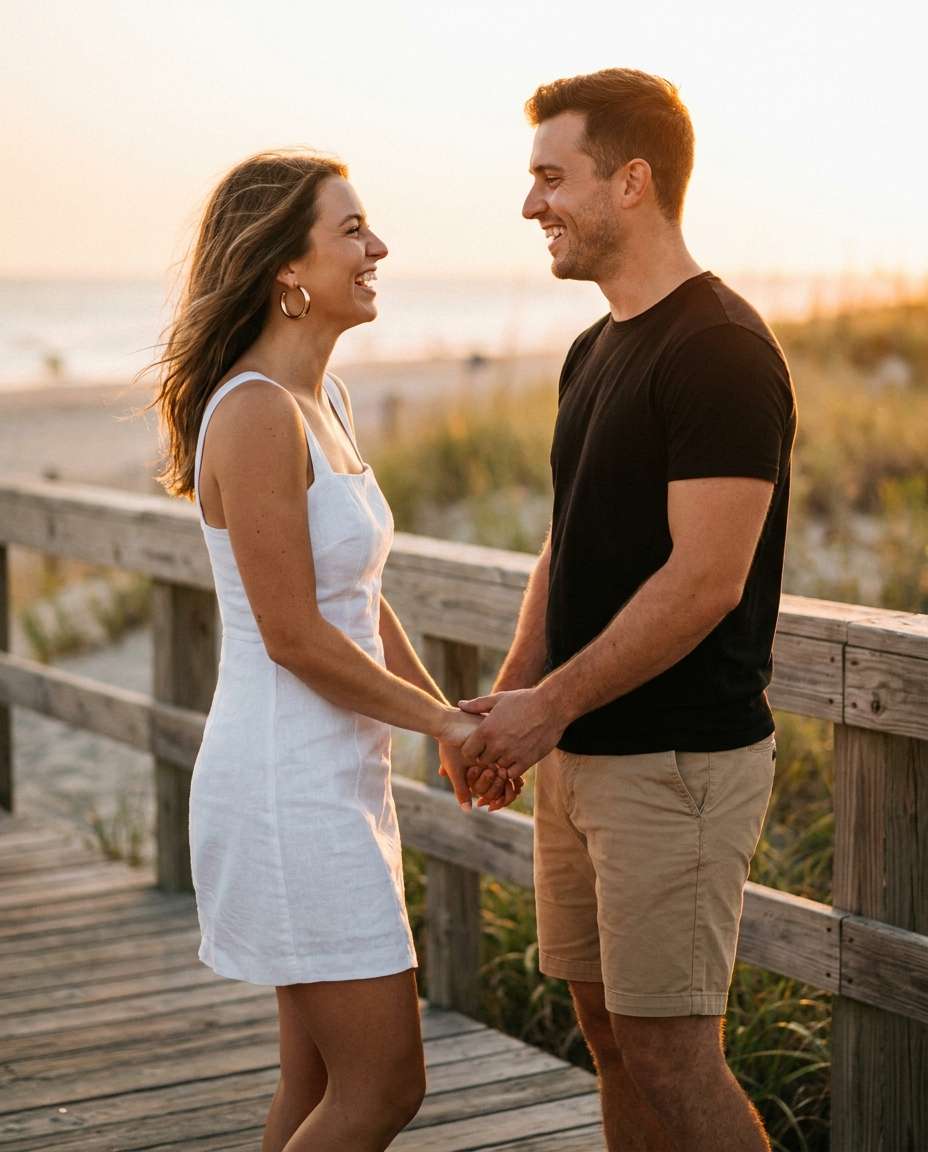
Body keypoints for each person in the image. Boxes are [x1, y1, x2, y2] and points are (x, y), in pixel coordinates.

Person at [147, 150, 519, 1152]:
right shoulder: (257, 410)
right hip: (283, 791)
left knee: (314, 1086)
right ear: (286, 271)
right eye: (351, 230)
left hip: (337, 783)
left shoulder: (327, 401)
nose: (378, 247)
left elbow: (356, 602)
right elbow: (295, 636)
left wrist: (442, 719)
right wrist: (443, 721)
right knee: (384, 1086)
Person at [461, 69, 797, 1152]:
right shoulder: (594, 347)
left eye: (551, 178)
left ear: (633, 182)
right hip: (579, 760)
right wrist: (513, 701)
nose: (530, 206)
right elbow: (567, 544)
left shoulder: (721, 351)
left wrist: (546, 707)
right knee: (606, 1034)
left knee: (670, 1054)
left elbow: (706, 581)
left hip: (678, 767)